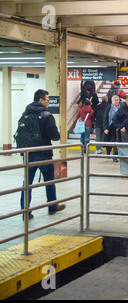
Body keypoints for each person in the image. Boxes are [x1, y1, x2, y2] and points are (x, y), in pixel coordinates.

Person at [20, 89, 65, 220]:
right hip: (43, 154)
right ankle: (52, 207)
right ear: (41, 100)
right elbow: (54, 135)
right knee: (49, 181)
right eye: (47, 100)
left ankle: (25, 212)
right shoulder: (46, 115)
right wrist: (57, 135)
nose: (48, 103)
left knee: (27, 184)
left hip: (28, 154)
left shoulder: (26, 113)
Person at [103, 95, 120, 161]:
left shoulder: (121, 107)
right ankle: (108, 151)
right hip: (110, 126)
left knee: (116, 141)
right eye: (115, 100)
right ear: (112, 101)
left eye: (118, 100)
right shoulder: (109, 107)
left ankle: (115, 156)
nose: (116, 101)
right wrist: (105, 128)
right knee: (109, 140)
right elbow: (105, 118)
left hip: (117, 126)